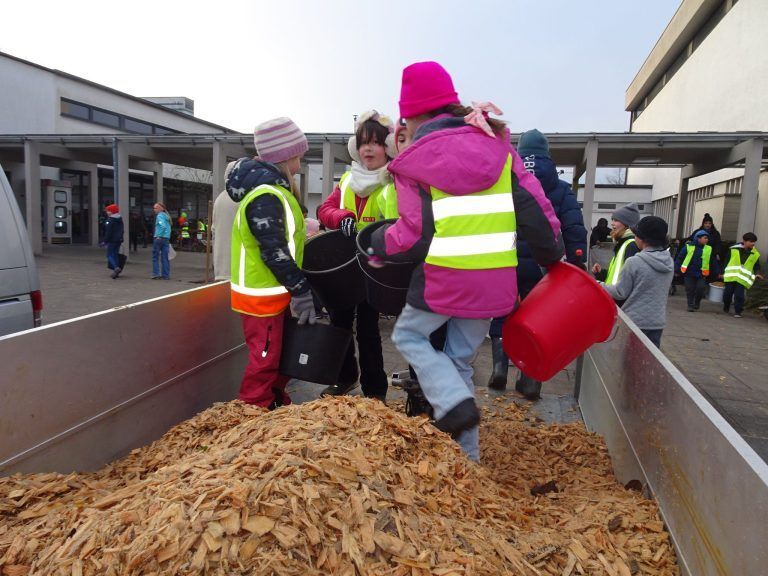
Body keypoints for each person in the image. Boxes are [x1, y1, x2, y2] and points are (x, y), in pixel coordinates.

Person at [368, 61, 563, 461]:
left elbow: (413, 234)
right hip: (494, 285)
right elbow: (536, 210)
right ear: (450, 103)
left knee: (409, 336)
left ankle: (455, 406)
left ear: (411, 116)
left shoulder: (416, 162)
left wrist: (376, 244)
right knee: (458, 360)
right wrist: (553, 257)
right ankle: (466, 457)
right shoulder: (498, 146)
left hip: (444, 282)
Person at [488, 129, 588, 398]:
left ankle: (499, 367)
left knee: (503, 312)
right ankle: (529, 379)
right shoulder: (561, 189)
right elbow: (574, 227)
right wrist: (578, 262)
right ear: (547, 155)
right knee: (537, 320)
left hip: (506, 260)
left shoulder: (507, 180)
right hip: (545, 265)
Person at [226, 117, 313, 409]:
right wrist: (301, 289)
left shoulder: (273, 193)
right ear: (286, 157)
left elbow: (281, 238)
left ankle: (275, 402)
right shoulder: (266, 195)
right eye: (299, 157)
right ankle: (252, 413)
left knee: (276, 356)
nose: (300, 164)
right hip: (262, 299)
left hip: (273, 294)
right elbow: (273, 250)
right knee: (264, 360)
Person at [317, 110, 396, 401]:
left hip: (374, 267)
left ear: (386, 147)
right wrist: (341, 216)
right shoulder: (348, 180)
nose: (368, 149)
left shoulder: (393, 180)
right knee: (339, 324)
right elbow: (323, 210)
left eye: (375, 143)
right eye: (363, 143)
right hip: (343, 267)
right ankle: (344, 378)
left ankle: (375, 389)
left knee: (368, 330)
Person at [600, 216, 674, 348]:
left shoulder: (634, 262)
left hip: (635, 322)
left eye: (636, 235)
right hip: (657, 322)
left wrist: (598, 284)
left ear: (643, 239)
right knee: (648, 364)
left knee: (630, 365)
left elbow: (619, 292)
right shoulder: (669, 262)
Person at [592, 203, 641, 304]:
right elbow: (616, 278)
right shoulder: (622, 244)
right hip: (615, 301)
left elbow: (630, 282)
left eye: (616, 220)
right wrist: (601, 273)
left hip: (620, 304)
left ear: (627, 224)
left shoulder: (630, 246)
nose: (612, 223)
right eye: (613, 220)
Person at [675, 229, 719, 312]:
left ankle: (697, 302)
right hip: (689, 272)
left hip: (701, 273)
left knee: (701, 289)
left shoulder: (708, 249)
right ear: (698, 238)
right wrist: (677, 269)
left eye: (707, 238)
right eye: (705, 238)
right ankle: (690, 305)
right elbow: (680, 258)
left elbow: (712, 261)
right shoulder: (688, 247)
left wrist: (716, 271)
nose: (707, 240)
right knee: (689, 289)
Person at [723, 232, 763, 318]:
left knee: (739, 295)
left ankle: (738, 311)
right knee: (727, 294)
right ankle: (726, 305)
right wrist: (722, 272)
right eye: (751, 241)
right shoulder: (733, 249)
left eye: (754, 241)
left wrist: (757, 273)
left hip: (742, 278)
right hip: (731, 276)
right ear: (744, 241)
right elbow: (726, 261)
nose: (753, 243)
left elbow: (756, 266)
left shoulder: (755, 254)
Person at [212, 161, 238, 281]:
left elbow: (214, 231)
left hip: (222, 266)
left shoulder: (220, 198)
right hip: (240, 269)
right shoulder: (243, 197)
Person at [103, 204, 124, 279]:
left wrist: (105, 241)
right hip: (119, 240)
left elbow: (108, 232)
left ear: (112, 211)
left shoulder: (110, 220)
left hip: (112, 240)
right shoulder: (120, 219)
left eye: (108, 211)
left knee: (109, 255)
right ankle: (116, 273)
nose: (107, 212)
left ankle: (116, 268)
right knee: (115, 255)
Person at [152, 202, 172, 280]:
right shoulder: (167, 216)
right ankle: (166, 275)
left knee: (155, 257)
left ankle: (156, 273)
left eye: (155, 208)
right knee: (165, 258)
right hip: (166, 238)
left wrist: (159, 235)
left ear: (161, 208)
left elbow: (162, 225)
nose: (154, 209)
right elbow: (167, 227)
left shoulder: (159, 216)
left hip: (159, 238)